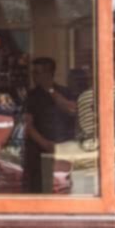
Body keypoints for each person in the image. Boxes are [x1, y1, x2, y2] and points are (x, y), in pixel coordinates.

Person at [23, 56, 76, 193]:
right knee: (40, 189)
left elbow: (71, 109)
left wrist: (50, 90)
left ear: (49, 73)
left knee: (63, 188)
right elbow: (27, 124)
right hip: (39, 152)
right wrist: (45, 144)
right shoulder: (31, 96)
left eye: (37, 73)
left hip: (64, 150)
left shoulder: (65, 92)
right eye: (33, 73)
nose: (34, 76)